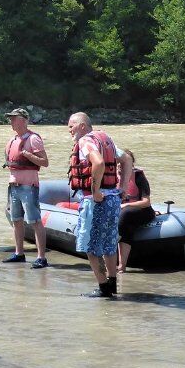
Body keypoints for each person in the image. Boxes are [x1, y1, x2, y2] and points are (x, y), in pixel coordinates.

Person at [67, 111, 123, 297]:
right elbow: (127, 159)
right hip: (113, 199)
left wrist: (95, 191)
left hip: (95, 202)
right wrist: (121, 187)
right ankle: (112, 284)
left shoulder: (85, 141)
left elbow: (98, 162)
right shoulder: (105, 138)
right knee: (108, 245)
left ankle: (103, 289)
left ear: (82, 126)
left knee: (91, 248)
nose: (69, 130)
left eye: (71, 126)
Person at [2, 108, 49, 268]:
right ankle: (19, 253)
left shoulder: (33, 139)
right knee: (16, 221)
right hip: (14, 186)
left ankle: (41, 257)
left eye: (14, 118)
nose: (11, 121)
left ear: (24, 120)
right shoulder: (12, 140)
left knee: (35, 221)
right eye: (11, 119)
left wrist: (29, 155)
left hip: (29, 186)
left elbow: (44, 162)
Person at [117, 149, 153, 273]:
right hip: (124, 214)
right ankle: (121, 265)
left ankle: (120, 263)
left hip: (143, 211)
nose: (120, 167)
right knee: (125, 223)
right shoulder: (112, 178)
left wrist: (126, 206)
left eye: (124, 164)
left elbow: (146, 202)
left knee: (125, 215)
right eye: (118, 164)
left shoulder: (139, 177)